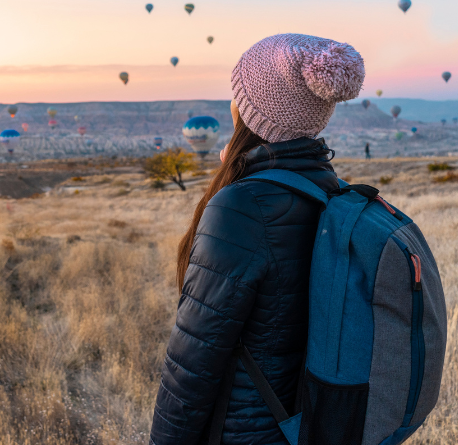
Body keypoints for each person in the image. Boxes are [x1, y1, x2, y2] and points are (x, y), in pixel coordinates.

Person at [150, 34, 365, 445]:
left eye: (237, 92)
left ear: (250, 110)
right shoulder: (329, 190)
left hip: (245, 431)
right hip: (304, 423)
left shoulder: (242, 206)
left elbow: (193, 362)